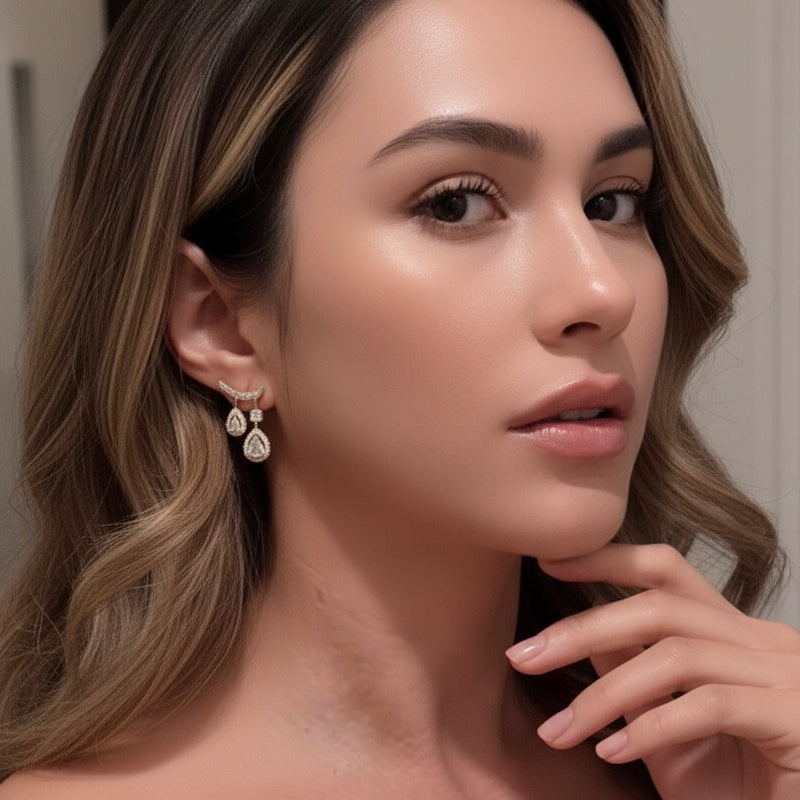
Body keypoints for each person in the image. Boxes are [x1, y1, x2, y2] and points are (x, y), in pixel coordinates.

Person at [0, 0, 798, 797]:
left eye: (613, 201)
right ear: (221, 326)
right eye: (456, 203)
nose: (600, 290)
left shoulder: (734, 764)